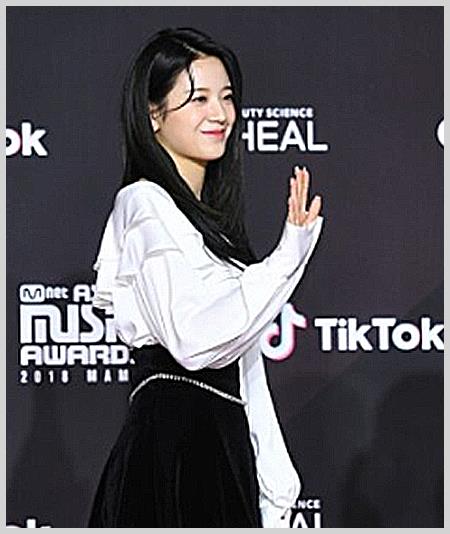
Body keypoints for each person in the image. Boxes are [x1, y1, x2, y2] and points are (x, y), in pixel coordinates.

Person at [87, 27, 324, 528]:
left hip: (222, 445)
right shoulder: (143, 203)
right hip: (174, 452)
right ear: (154, 114)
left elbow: (246, 375)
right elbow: (194, 342)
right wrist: (288, 256)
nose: (220, 113)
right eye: (198, 99)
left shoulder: (216, 232)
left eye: (227, 97)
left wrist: (277, 493)